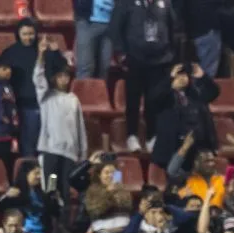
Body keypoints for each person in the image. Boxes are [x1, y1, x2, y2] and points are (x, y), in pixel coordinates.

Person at [110, 0, 176, 153]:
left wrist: (170, 53)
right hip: (134, 60)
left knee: (153, 100)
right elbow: (115, 28)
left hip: (159, 62)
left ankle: (151, 136)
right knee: (132, 100)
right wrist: (121, 55)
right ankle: (131, 135)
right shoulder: (126, 3)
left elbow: (173, 28)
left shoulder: (164, 3)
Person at [35, 40, 87, 206]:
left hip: (69, 154)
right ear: (54, 78)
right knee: (51, 188)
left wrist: (82, 153)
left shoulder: (73, 100)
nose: (64, 79)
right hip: (51, 151)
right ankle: (50, 224)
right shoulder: (46, 97)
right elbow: (38, 78)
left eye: (66, 76)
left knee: (65, 191)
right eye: (60, 76)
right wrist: (41, 55)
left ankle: (64, 226)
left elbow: (80, 128)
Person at [152, 65, 221, 173]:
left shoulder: (195, 94)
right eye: (178, 75)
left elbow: (214, 92)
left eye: (184, 75)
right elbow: (154, 99)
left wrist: (202, 76)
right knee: (176, 178)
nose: (182, 78)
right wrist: (170, 81)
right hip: (174, 147)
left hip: (198, 146)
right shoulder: (166, 96)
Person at [0, 18, 42, 157]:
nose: (28, 37)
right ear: (18, 34)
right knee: (27, 144)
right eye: (25, 34)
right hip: (21, 105)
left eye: (31, 34)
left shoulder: (43, 51)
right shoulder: (10, 53)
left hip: (43, 103)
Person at [74, 0, 114, 80]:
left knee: (104, 68)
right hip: (87, 22)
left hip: (111, 23)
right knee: (85, 67)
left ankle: (99, 92)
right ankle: (83, 92)